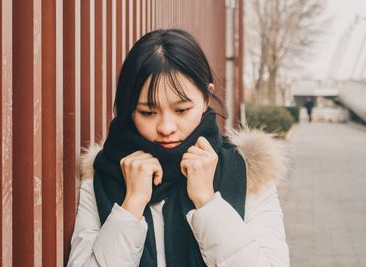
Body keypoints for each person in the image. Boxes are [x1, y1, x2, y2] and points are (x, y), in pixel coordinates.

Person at [67, 29, 290, 267]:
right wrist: (131, 206)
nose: (166, 127)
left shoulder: (248, 175)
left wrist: (207, 202)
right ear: (127, 108)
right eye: (148, 112)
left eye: (181, 110)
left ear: (206, 97)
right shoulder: (103, 176)